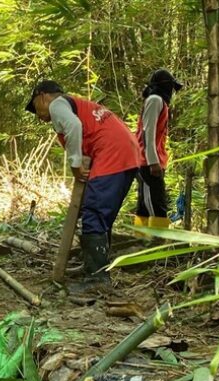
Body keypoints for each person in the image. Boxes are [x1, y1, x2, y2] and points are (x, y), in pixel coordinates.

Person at [25, 80, 142, 293]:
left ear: (42, 96)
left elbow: (73, 126)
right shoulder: (79, 105)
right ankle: (95, 267)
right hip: (128, 153)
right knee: (100, 216)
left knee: (94, 215)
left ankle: (97, 280)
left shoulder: (57, 104)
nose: (39, 116)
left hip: (112, 153)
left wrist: (75, 165)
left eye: (36, 108)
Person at [134, 69, 183, 230]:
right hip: (147, 161)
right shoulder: (155, 100)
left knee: (146, 203)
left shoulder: (158, 101)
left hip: (152, 159)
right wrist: (153, 162)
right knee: (156, 204)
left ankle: (142, 239)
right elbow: (148, 132)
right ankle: (157, 240)